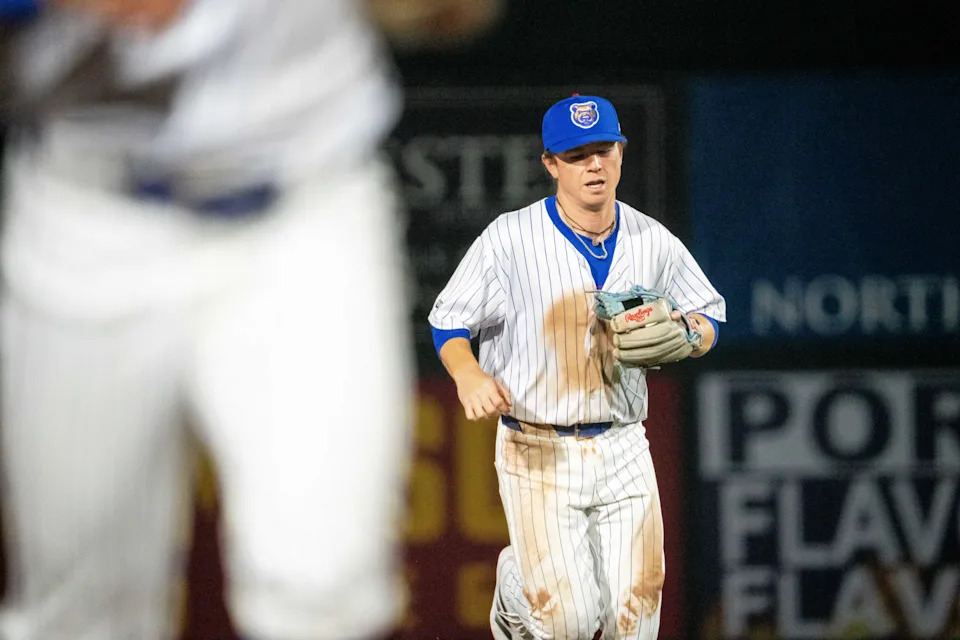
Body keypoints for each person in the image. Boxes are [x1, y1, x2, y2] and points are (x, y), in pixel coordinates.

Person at [0, 1, 499, 638]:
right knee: (79, 617)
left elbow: (456, 14)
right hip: (90, 213)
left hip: (303, 207)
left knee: (324, 591)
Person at [428, 94, 726, 640]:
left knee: (634, 624)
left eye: (602, 150)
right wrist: (468, 374)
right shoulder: (510, 239)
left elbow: (708, 313)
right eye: (576, 154)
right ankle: (516, 585)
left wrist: (688, 335)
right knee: (567, 624)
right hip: (536, 445)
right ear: (550, 164)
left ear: (621, 153)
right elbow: (448, 321)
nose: (593, 165)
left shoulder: (651, 239)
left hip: (622, 442)